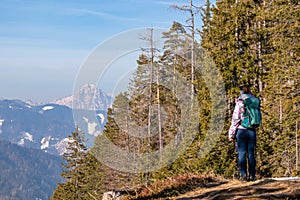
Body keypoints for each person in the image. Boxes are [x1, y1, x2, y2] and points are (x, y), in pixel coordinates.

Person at [228, 85, 258, 182]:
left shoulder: (240, 102)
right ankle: (252, 175)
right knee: (251, 153)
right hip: (252, 130)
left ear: (242, 91)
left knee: (241, 153)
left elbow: (235, 118)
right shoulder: (254, 101)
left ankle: (244, 176)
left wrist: (231, 134)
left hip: (241, 130)